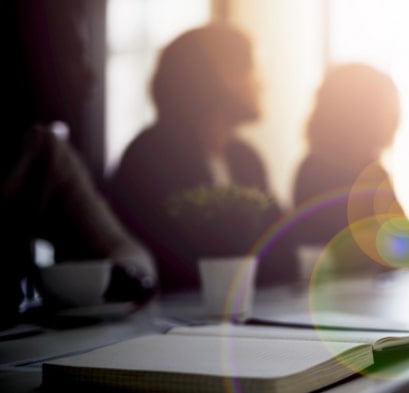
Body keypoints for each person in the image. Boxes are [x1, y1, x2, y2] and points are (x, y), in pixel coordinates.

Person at [2, 0, 156, 328]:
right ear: (26, 53)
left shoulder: (47, 154)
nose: (89, 75)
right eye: (73, 55)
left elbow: (125, 251)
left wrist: (115, 275)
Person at [108, 24, 291, 292]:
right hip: (171, 321)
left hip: (248, 316)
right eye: (253, 68)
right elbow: (173, 263)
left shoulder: (245, 158)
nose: (262, 82)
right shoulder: (150, 157)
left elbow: (281, 248)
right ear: (224, 75)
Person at [292, 63, 409, 273]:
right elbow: (388, 246)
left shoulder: (372, 171)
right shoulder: (320, 172)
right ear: (360, 110)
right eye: (388, 104)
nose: (396, 116)